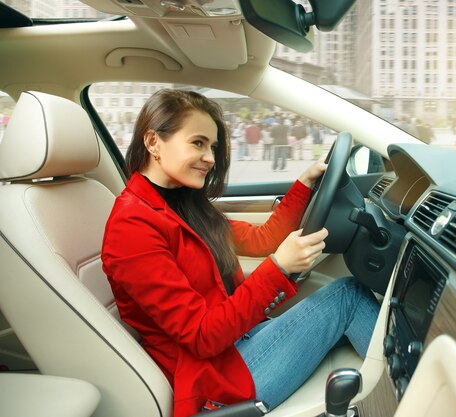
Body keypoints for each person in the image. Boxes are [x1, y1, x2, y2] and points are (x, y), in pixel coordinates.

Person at [101, 89, 380, 417]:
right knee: (348, 296)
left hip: (236, 346)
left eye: (213, 147)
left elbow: (263, 239)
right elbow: (201, 336)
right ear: (153, 143)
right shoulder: (132, 226)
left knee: (348, 295)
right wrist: (278, 267)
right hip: (216, 380)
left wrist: (304, 185)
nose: (210, 157)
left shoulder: (182, 205)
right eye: (198, 143)